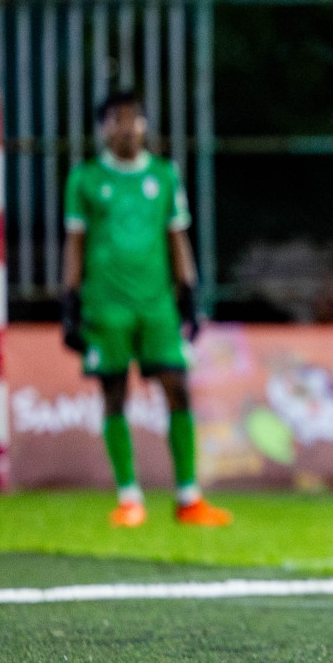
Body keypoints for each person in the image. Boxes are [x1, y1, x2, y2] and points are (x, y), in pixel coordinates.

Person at [61, 90, 232, 528]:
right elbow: (75, 244)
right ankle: (129, 496)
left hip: (157, 305)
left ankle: (189, 497)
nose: (128, 128)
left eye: (134, 119)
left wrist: (189, 295)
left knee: (178, 386)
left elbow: (177, 237)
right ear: (103, 129)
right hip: (107, 306)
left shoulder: (163, 175)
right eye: (118, 120)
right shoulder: (84, 178)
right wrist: (70, 303)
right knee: (114, 392)